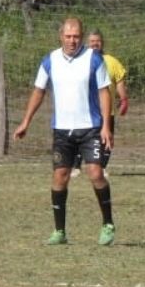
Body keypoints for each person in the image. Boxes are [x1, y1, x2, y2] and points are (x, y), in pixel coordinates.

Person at [13, 17, 117, 246]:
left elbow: (104, 92)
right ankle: (59, 231)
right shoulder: (50, 60)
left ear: (82, 37)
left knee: (96, 173)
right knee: (60, 177)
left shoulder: (94, 59)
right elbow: (39, 91)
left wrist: (106, 126)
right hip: (62, 130)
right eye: (68, 36)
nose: (72, 41)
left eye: (77, 37)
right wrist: (26, 121)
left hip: (91, 128)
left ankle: (108, 223)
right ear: (61, 36)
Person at [71, 29, 129, 178]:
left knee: (106, 138)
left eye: (97, 41)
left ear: (102, 43)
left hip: (106, 110)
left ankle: (102, 167)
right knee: (79, 137)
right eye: (92, 41)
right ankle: (76, 167)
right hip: (85, 109)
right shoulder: (79, 61)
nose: (95, 44)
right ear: (87, 43)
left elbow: (119, 82)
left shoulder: (112, 61)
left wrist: (123, 99)